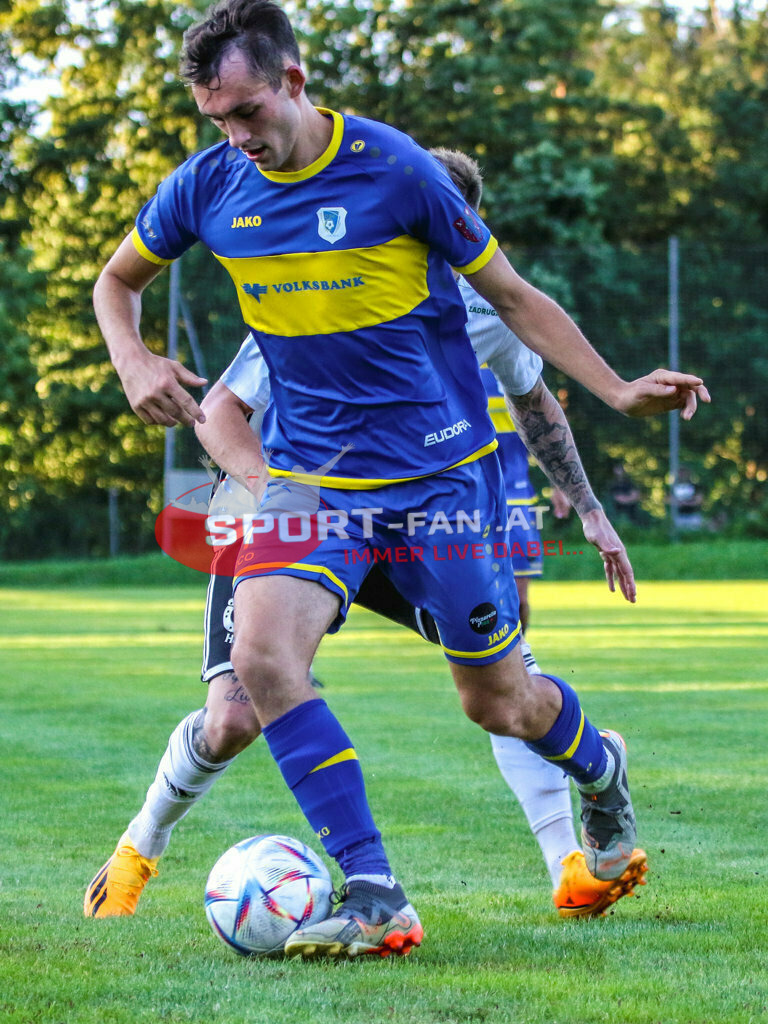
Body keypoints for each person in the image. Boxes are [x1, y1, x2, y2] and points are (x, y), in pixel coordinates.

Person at [92, 0, 708, 959]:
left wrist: (621, 392)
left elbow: (514, 298)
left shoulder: (397, 170)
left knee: (499, 702)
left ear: (294, 81)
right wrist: (133, 362)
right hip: (311, 484)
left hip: (443, 485)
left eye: (248, 111)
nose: (236, 136)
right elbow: (114, 281)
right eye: (218, 119)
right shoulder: (209, 184)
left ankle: (600, 765)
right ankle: (375, 894)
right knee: (260, 661)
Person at [669, 465, 705, 531]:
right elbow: (668, 499)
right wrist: (679, 503)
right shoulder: (674, 487)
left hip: (693, 515)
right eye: (681, 472)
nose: (683, 475)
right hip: (679, 515)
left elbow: (699, 500)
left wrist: (688, 503)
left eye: (685, 472)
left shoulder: (695, 486)